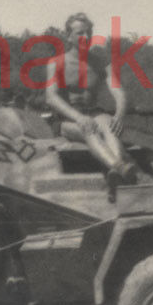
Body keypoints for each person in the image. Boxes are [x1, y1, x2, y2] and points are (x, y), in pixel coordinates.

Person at [45, 12, 137, 187]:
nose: (86, 37)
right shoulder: (56, 63)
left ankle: (114, 172)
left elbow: (119, 93)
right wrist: (79, 118)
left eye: (89, 33)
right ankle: (120, 166)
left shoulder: (101, 63)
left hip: (94, 112)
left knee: (110, 125)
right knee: (89, 128)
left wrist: (119, 115)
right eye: (80, 33)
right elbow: (51, 97)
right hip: (67, 119)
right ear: (69, 36)